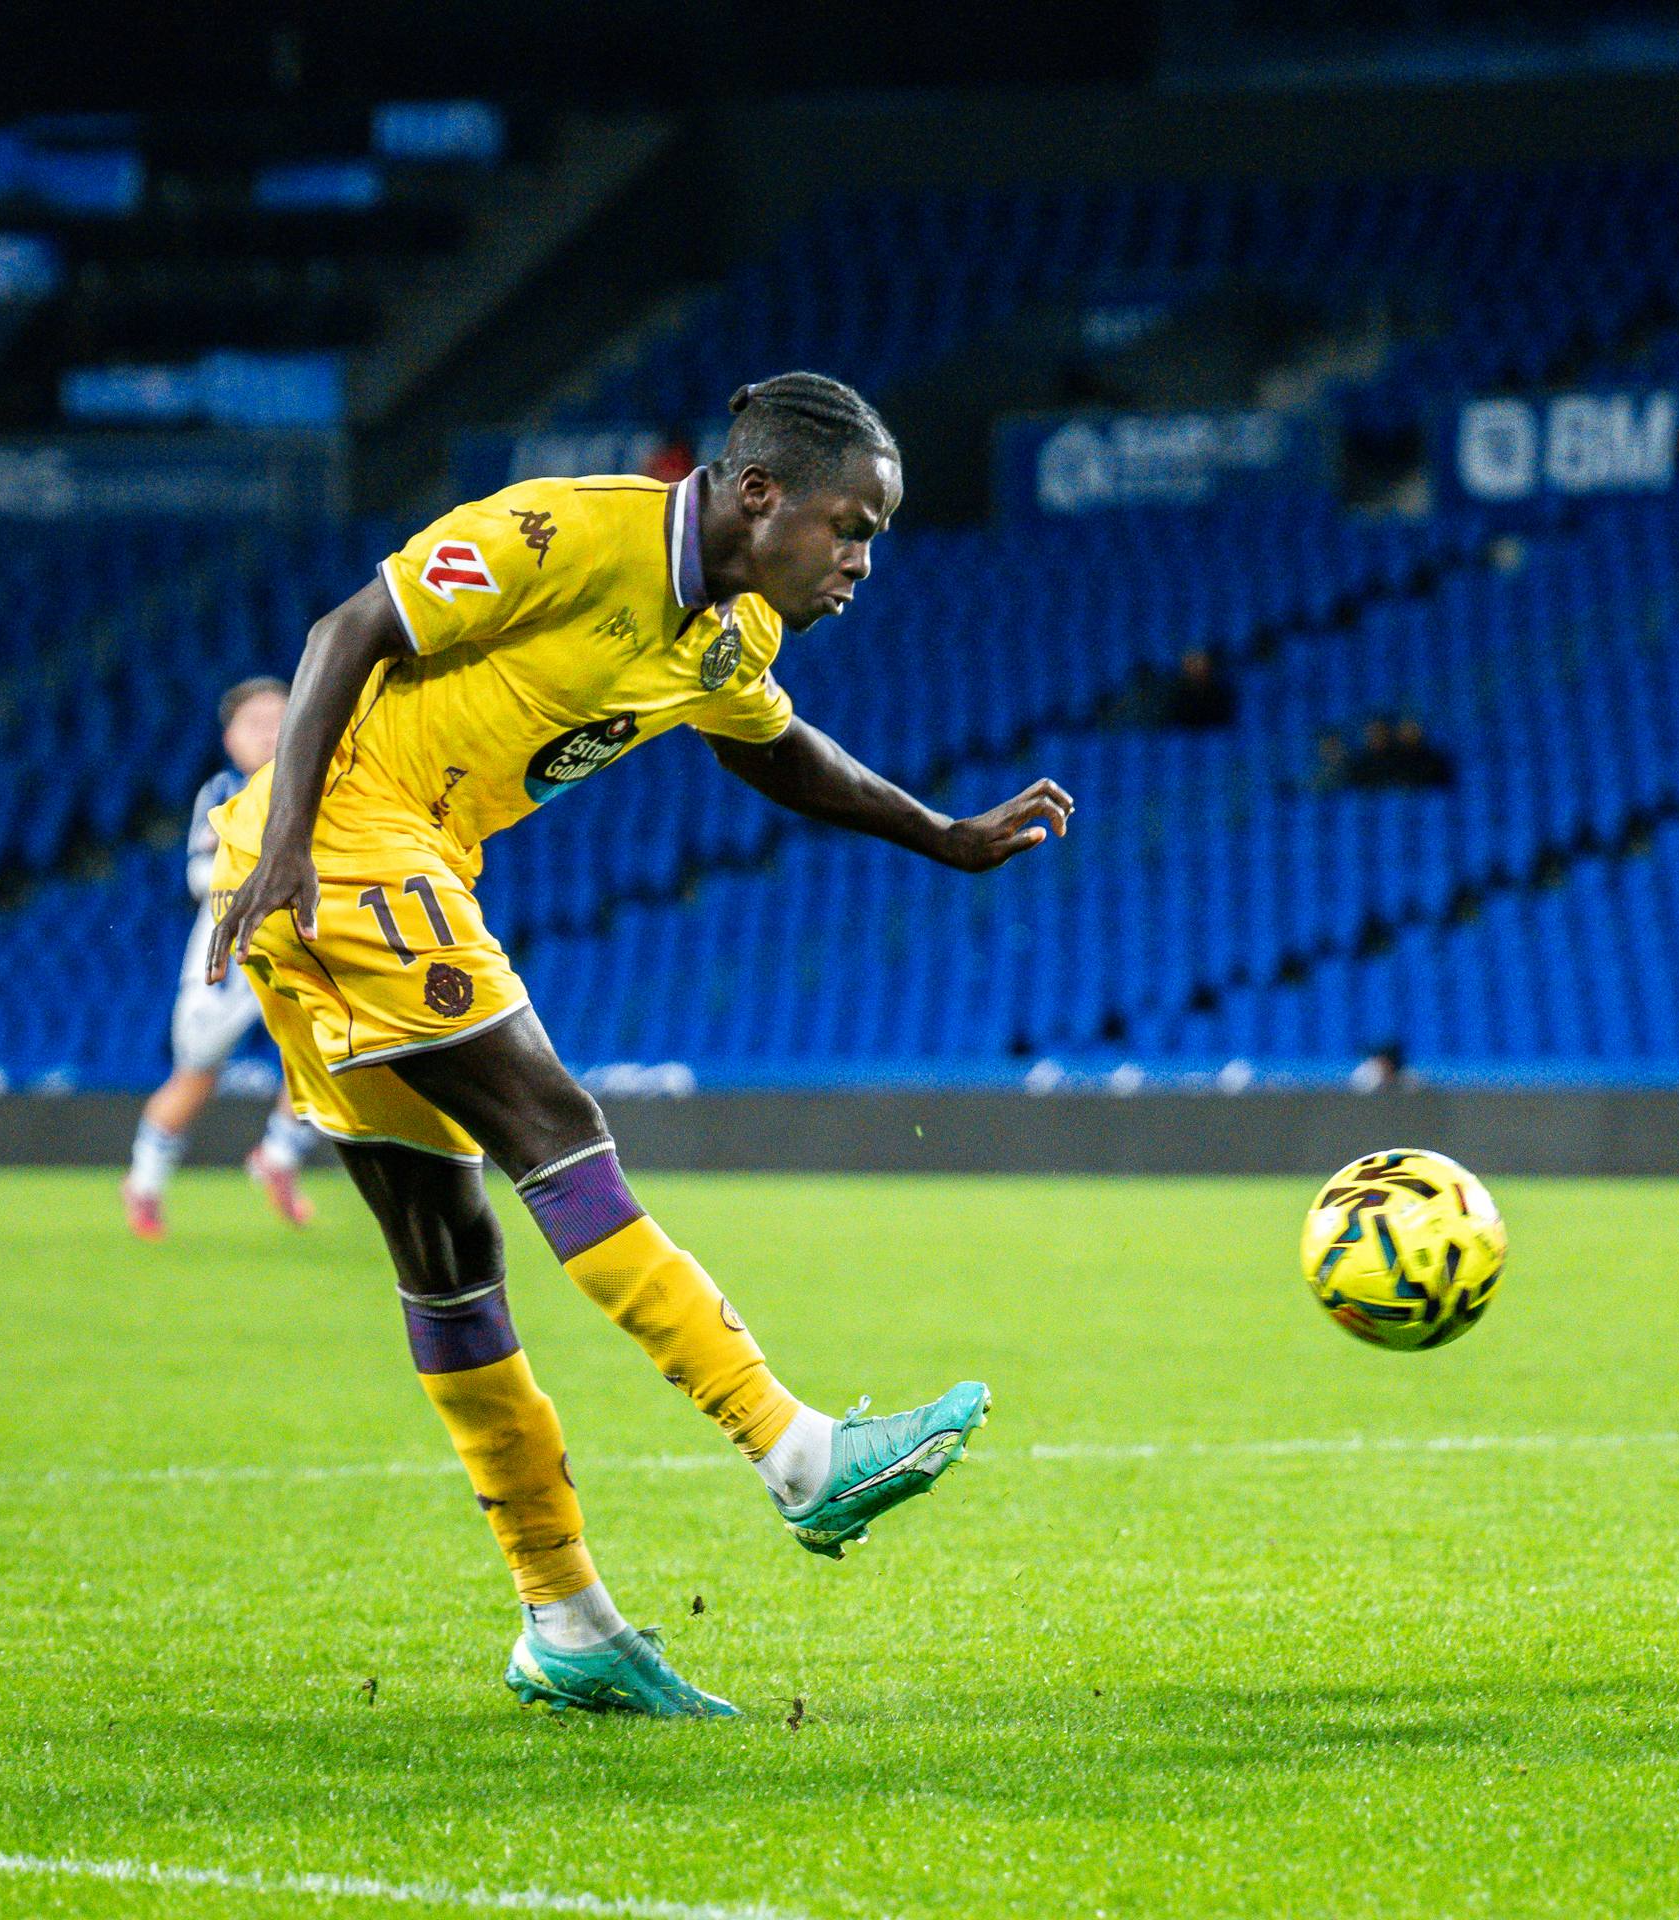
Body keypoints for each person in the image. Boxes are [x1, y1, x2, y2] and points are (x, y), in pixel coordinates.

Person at [204, 372, 1076, 1717]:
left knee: (450, 1257)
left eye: (876, 537)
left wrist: (943, 834)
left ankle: (565, 1619)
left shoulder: (728, 634)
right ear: (760, 493)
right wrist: (291, 846)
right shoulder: (565, 531)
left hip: (390, 860)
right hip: (341, 839)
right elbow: (346, 630)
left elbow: (777, 754)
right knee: (554, 1133)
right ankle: (795, 1453)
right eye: (852, 525)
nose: (860, 558)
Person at [121, 677, 321, 1239]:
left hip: (301, 945)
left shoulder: (319, 782)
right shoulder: (222, 790)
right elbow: (199, 875)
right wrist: (267, 873)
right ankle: (144, 1182)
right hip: (228, 955)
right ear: (229, 737)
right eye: (255, 722)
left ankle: (279, 1157)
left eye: (282, 719)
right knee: (197, 1073)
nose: (271, 732)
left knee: (326, 1055)